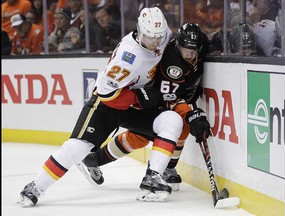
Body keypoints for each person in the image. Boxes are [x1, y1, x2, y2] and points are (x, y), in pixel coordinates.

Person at [17, 7, 181, 207]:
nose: (156, 42)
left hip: (135, 101)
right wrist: (140, 97)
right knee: (77, 147)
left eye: (159, 36)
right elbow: (108, 95)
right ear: (139, 31)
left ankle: (152, 179)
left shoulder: (162, 36)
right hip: (107, 103)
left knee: (172, 120)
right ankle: (35, 187)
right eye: (150, 37)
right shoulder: (128, 56)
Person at [81, 22, 211, 200]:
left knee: (142, 137)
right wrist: (189, 113)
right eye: (186, 49)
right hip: (149, 99)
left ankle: (94, 160)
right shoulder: (172, 65)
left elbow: (207, 45)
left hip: (162, 96)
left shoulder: (195, 47)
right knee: (147, 134)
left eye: (194, 50)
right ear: (178, 45)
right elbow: (168, 98)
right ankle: (166, 168)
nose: (190, 54)